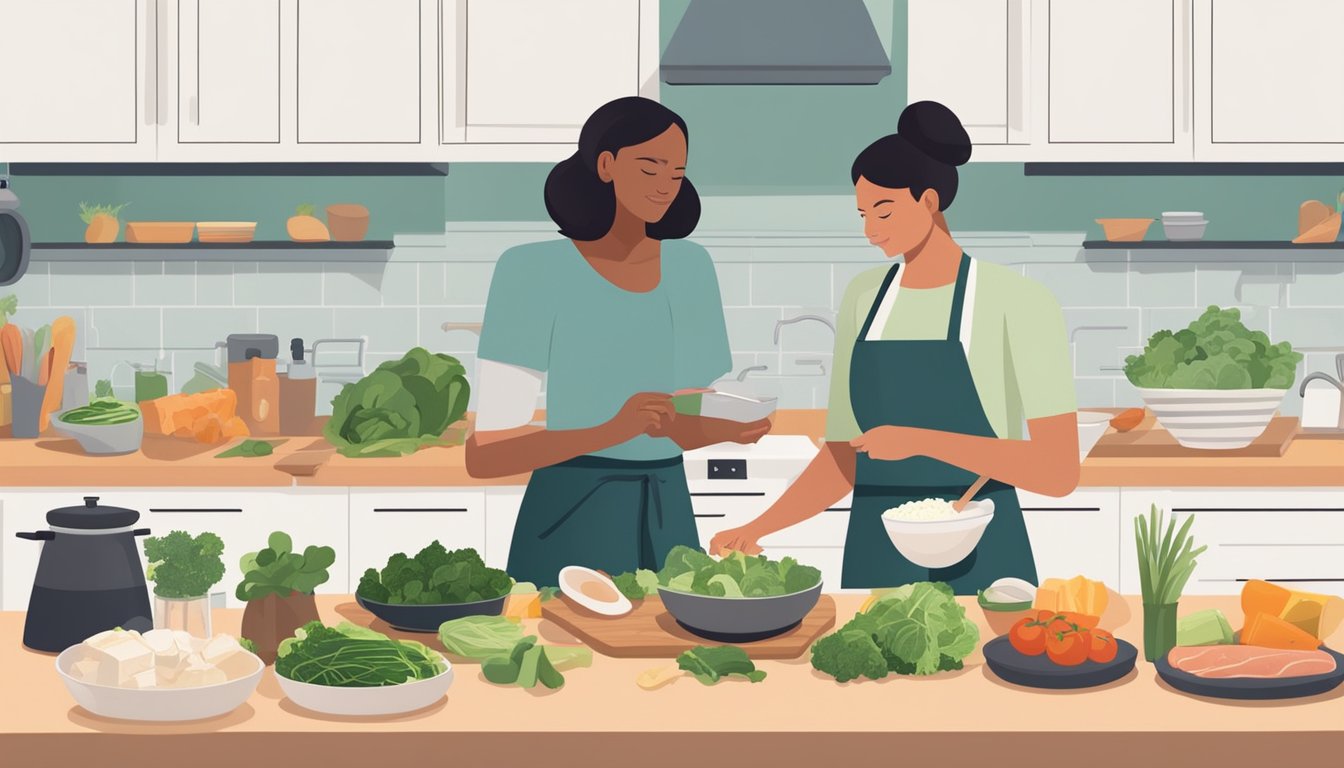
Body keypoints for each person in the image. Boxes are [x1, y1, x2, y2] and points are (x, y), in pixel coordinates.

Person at [710, 101, 1080, 593]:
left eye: (884, 210)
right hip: (877, 555)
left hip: (983, 554)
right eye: (862, 213)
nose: (870, 230)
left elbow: (1058, 472)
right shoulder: (865, 297)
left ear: (929, 201)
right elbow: (845, 456)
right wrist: (756, 528)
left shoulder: (1019, 302)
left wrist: (921, 439)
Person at [467, 96, 771, 588]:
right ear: (606, 164)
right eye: (650, 168)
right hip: (571, 513)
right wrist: (611, 429)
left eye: (676, 174)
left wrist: (729, 429)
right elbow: (486, 455)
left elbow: (676, 426)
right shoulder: (531, 271)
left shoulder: (691, 269)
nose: (664, 187)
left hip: (667, 512)